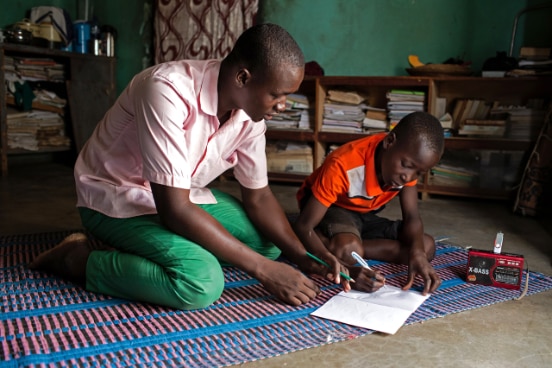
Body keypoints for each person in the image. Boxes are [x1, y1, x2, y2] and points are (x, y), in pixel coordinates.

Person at [30, 23, 350, 310]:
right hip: (114, 197)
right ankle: (77, 260)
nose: (283, 106)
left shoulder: (249, 116)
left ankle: (158, 248)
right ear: (243, 77)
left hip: (180, 195)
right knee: (200, 283)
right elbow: (174, 209)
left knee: (268, 245)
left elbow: (260, 197)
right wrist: (263, 271)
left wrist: (305, 257)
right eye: (277, 95)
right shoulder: (166, 89)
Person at [293, 111, 445, 295]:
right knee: (349, 251)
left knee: (425, 246)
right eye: (406, 165)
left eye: (419, 173)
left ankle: (347, 243)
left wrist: (418, 254)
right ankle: (338, 243)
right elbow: (304, 226)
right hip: (332, 209)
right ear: (389, 142)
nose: (408, 177)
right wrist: (343, 267)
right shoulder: (343, 165)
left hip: (364, 214)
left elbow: (412, 217)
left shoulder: (407, 162)